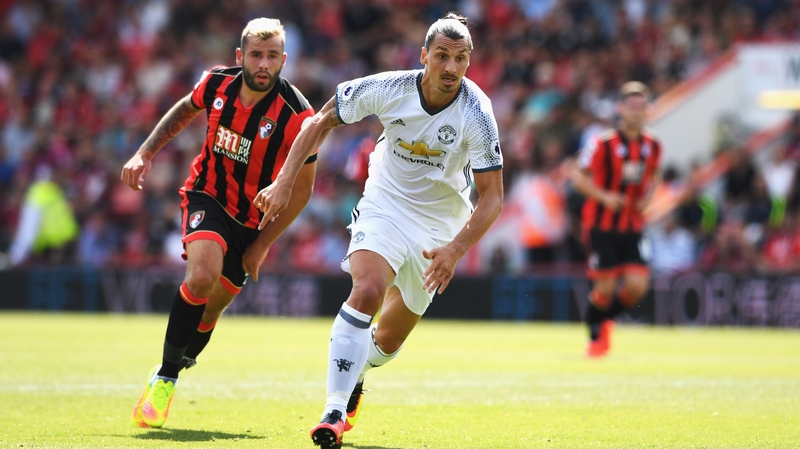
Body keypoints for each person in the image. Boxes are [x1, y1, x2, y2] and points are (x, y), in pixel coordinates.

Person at [255, 12, 503, 449]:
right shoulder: (390, 88)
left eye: (460, 58)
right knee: (367, 290)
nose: (450, 67)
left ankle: (357, 374)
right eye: (442, 56)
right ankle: (333, 411)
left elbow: (493, 196)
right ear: (423, 55)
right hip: (385, 205)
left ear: (469, 62)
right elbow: (319, 121)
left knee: (386, 344)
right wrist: (284, 180)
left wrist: (455, 249)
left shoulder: (477, 112)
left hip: (439, 228)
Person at [121, 18, 317, 428]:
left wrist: (262, 244)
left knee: (214, 306)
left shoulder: (299, 115)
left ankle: (186, 351)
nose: (264, 64)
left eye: (272, 56)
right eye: (256, 55)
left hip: (252, 221)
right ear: (240, 56)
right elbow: (184, 109)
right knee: (202, 274)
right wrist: (145, 153)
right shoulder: (216, 84)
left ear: (284, 59)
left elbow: (302, 191)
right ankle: (165, 377)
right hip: (206, 197)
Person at [571, 81, 661, 358]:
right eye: (631, 107)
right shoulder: (602, 143)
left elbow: (655, 175)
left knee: (637, 287)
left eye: (641, 107)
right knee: (605, 287)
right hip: (601, 225)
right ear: (620, 109)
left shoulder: (653, 145)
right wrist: (605, 197)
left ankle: (599, 320)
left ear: (648, 110)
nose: (636, 112)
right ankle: (597, 334)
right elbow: (577, 177)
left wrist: (648, 197)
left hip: (632, 225)